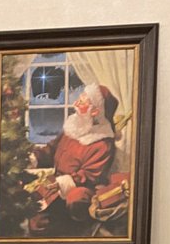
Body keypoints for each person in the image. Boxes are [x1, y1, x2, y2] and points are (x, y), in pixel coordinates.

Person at [27, 82, 121, 235]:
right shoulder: (73, 128)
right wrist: (34, 159)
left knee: (61, 212)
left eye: (83, 102)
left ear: (95, 111)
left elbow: (90, 176)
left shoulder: (103, 143)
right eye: (80, 98)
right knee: (35, 216)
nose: (76, 103)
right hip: (55, 183)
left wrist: (61, 183)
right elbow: (51, 150)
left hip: (79, 191)